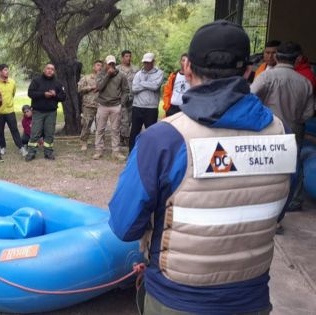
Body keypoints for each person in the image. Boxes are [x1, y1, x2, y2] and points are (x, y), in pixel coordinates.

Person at [109, 20, 297, 314]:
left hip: (176, 300)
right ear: (248, 71)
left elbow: (124, 225)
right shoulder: (281, 133)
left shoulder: (163, 139)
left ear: (187, 68)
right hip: (253, 301)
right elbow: (278, 209)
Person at [251, 41, 314, 213]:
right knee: (295, 164)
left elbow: (250, 99)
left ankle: (265, 199)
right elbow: (308, 113)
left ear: (277, 57)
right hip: (294, 129)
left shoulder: (266, 77)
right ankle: (294, 200)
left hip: (268, 127)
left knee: (264, 163)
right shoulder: (305, 82)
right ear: (297, 60)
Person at [25, 63, 66, 161]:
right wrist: (44, 94)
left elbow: (63, 97)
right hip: (38, 111)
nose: (50, 70)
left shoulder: (58, 83)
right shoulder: (36, 81)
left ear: (54, 71)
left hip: (51, 112)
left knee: (49, 133)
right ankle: (31, 153)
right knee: (35, 133)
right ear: (44, 70)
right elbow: (30, 93)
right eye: (48, 68)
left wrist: (55, 95)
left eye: (52, 69)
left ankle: (48, 152)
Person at [93, 55, 129, 161]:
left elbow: (126, 90)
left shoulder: (121, 75)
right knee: (100, 129)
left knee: (115, 129)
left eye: (113, 63)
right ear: (105, 64)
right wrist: (107, 76)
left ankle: (116, 152)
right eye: (109, 64)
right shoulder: (100, 74)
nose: (111, 66)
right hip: (102, 105)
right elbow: (99, 87)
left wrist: (121, 103)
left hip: (116, 105)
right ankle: (98, 150)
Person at [128, 52, 164, 151]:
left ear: (153, 62)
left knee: (151, 132)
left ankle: (150, 153)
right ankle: (131, 152)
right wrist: (148, 84)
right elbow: (134, 88)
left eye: (148, 62)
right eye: (145, 62)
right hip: (137, 106)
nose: (146, 64)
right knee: (134, 131)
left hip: (151, 108)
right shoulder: (138, 73)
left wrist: (142, 83)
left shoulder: (159, 73)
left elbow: (155, 86)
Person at [0, 64, 25, 156]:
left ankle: (21, 147)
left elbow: (13, 94)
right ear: (0, 72)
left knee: (14, 129)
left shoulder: (12, 82)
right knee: (0, 131)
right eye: (5, 70)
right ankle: (2, 147)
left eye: (7, 70)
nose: (7, 72)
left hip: (10, 111)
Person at [116, 50, 139, 146]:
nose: (128, 58)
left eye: (129, 56)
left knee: (130, 119)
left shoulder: (136, 69)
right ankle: (125, 138)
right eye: (126, 56)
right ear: (122, 58)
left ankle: (123, 137)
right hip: (121, 97)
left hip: (133, 97)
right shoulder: (117, 69)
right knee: (123, 119)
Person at [77, 60, 102, 151]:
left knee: (100, 125)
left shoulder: (104, 79)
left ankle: (99, 143)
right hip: (89, 105)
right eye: (98, 65)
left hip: (101, 105)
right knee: (86, 124)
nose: (100, 67)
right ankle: (84, 142)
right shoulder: (86, 78)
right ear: (93, 67)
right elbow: (79, 89)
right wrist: (91, 87)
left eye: (101, 66)